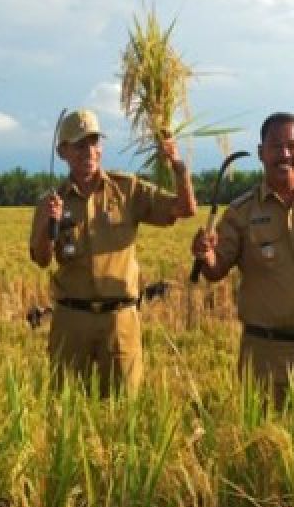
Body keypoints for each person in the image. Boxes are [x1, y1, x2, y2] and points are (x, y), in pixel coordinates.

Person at [191, 112, 294, 408]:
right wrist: (205, 255)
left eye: (292, 146)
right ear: (260, 153)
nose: (284, 154)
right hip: (266, 354)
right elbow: (216, 270)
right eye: (275, 146)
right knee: (266, 443)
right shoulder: (241, 213)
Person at [28, 109, 196, 396]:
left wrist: (178, 168)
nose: (89, 151)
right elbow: (42, 259)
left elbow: (184, 209)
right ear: (62, 151)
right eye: (80, 145)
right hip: (71, 321)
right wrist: (47, 223)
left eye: (94, 143)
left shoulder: (126, 189)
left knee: (123, 413)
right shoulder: (51, 201)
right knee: (66, 413)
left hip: (120, 321)